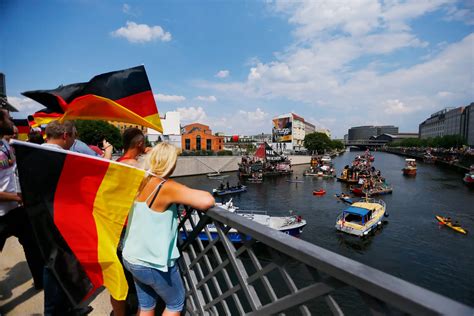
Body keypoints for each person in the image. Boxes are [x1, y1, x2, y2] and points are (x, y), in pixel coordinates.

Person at [122, 142, 215, 316]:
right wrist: (181, 188)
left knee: (146, 305)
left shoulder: (140, 180)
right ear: (171, 163)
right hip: (152, 262)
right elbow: (207, 200)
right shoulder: (165, 186)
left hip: (132, 258)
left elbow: (128, 163)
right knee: (175, 304)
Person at [41, 120, 93, 315]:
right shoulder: (63, 158)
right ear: (65, 136)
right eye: (74, 136)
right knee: (56, 265)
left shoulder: (31, 154)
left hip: (45, 218)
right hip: (61, 220)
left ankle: (68, 306)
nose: (74, 140)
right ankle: (55, 311)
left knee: (61, 265)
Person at [0, 111, 44, 290]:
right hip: (2, 214)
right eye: (7, 118)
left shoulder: (5, 145)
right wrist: (18, 197)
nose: (11, 120)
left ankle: (41, 282)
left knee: (33, 245)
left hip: (16, 211)